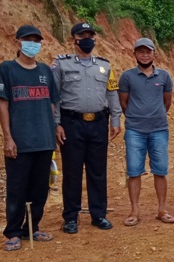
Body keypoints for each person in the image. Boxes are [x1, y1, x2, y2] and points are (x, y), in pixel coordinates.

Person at [52, 22, 122, 233]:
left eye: (90, 35)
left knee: (98, 171)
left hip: (99, 123)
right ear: (74, 39)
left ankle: (98, 214)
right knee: (72, 172)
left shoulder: (104, 65)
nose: (87, 39)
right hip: (71, 124)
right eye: (83, 35)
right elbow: (54, 97)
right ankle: (71, 217)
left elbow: (112, 93)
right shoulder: (60, 65)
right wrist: (56, 124)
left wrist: (116, 120)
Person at [0, 25, 59, 251]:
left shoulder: (45, 72)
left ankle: (32, 228)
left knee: (40, 188)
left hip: (44, 141)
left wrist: (52, 132)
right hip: (20, 142)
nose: (32, 44)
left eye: (36, 40)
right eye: (28, 39)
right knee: (17, 188)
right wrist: (8, 138)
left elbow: (52, 104)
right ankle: (13, 232)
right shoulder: (7, 69)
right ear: (18, 42)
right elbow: (3, 105)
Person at [118, 38, 174, 227]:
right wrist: (136, 117)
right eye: (140, 52)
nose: (145, 55)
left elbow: (167, 102)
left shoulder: (164, 77)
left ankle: (162, 209)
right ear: (134, 54)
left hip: (159, 129)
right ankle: (134, 211)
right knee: (134, 171)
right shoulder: (127, 77)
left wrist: (154, 115)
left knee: (160, 170)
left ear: (154, 54)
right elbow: (123, 103)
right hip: (135, 130)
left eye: (148, 51)